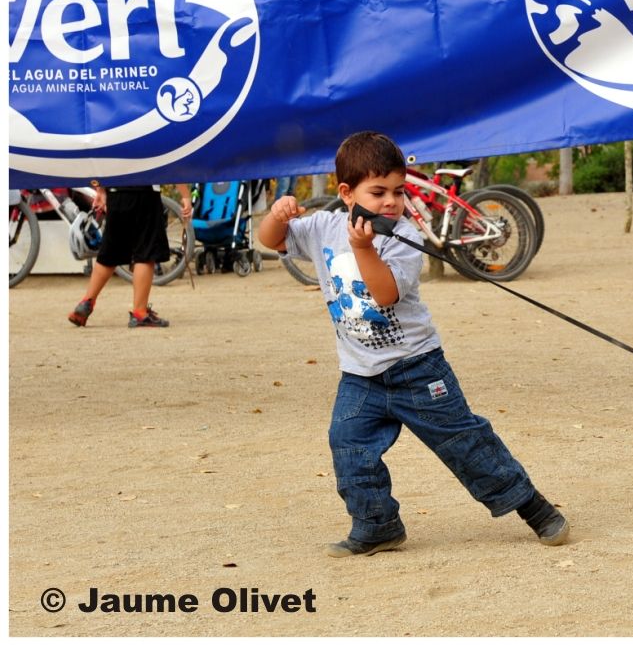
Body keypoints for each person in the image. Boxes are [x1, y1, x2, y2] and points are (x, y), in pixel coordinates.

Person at [258, 131, 569, 556]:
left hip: (417, 368)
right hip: (361, 374)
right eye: (378, 192)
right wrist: (279, 213)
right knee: (348, 445)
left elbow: (385, 294)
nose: (391, 202)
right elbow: (270, 240)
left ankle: (535, 509)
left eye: (398, 192)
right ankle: (376, 525)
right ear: (346, 194)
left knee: (465, 443)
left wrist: (363, 247)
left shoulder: (403, 237)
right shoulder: (322, 227)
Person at [67, 183, 192, 328]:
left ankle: (86, 302)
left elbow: (102, 163)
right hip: (145, 193)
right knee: (146, 252)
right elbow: (170, 163)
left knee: (110, 253)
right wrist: (186, 196)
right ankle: (140, 313)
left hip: (115, 193)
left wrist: (101, 190)